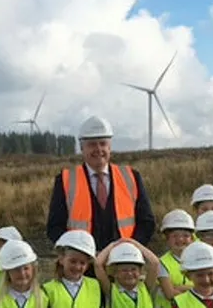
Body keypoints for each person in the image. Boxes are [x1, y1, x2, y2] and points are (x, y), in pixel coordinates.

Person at [46, 116, 157, 264]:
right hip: (84, 268)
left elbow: (147, 222)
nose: (98, 149)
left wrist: (129, 251)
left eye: (103, 144)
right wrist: (77, 253)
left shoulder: (131, 177)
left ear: (109, 147)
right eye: (92, 144)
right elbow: (54, 227)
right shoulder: (65, 180)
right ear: (82, 148)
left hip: (124, 266)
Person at [43, 230, 103, 308]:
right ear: (61, 259)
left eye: (82, 263)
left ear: (88, 264)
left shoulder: (95, 285)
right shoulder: (47, 290)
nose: (77, 267)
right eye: (73, 261)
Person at [94, 239, 161, 308]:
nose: (129, 273)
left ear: (140, 272)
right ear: (115, 273)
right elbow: (97, 264)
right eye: (124, 270)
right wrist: (114, 244)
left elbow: (155, 263)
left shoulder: (145, 288)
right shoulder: (111, 291)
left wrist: (135, 244)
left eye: (133, 269)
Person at [169, 242, 213, 308]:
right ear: (188, 276)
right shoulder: (179, 303)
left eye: (211, 274)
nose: (206, 280)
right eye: (200, 275)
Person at [0, 240, 48, 308]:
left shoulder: (45, 298)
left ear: (33, 269)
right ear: (7, 272)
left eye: (26, 268)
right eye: (16, 269)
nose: (22, 274)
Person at [155, 210, 195, 308]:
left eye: (185, 236)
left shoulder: (198, 260)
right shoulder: (162, 263)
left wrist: (180, 288)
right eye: (175, 236)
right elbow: (170, 294)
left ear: (192, 238)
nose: (180, 239)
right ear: (167, 238)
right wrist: (195, 290)